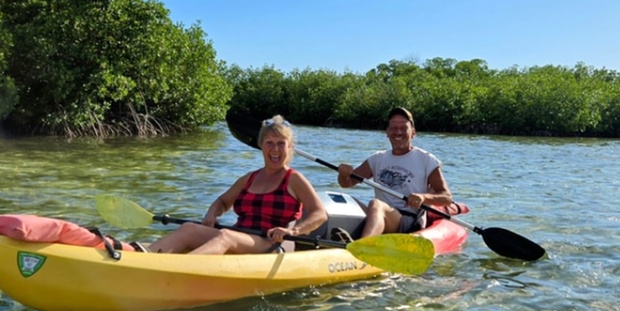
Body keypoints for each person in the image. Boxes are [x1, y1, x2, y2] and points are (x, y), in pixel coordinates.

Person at [146, 115, 328, 254]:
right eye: (269, 143)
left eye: (281, 144)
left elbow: (319, 214)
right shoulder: (249, 178)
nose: (275, 149)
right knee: (189, 228)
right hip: (240, 235)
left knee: (225, 236)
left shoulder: (294, 178)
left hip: (270, 243)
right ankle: (143, 257)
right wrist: (212, 214)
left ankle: (177, 269)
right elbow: (223, 202)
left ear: (289, 148)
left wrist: (295, 231)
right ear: (261, 145)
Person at [336, 107, 454, 238]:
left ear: (413, 132)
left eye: (403, 128)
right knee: (345, 199)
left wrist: (423, 198)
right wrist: (343, 174)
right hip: (382, 213)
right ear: (387, 132)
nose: (398, 132)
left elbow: (447, 198)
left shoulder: (427, 160)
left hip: (409, 219)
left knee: (376, 204)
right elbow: (347, 183)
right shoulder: (377, 159)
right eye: (393, 128)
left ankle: (363, 246)